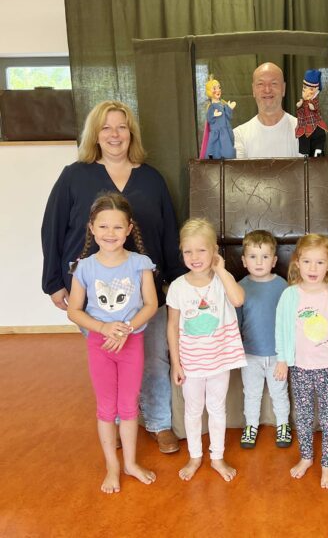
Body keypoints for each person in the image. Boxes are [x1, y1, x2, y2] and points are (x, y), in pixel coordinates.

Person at [41, 100, 183, 454]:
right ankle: (118, 422)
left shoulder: (151, 178)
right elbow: (52, 229)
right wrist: (53, 282)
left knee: (153, 359)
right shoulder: (74, 176)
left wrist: (177, 282)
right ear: (95, 134)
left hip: (146, 294)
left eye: (121, 127)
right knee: (111, 362)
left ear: (131, 133)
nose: (114, 134)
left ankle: (159, 422)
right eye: (106, 127)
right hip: (94, 295)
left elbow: (169, 232)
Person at [67, 193, 158, 493]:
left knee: (128, 405)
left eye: (118, 227)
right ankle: (112, 466)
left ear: (129, 229)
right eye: (103, 226)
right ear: (92, 228)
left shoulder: (140, 264)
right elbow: (74, 310)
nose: (110, 233)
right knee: (106, 407)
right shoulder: (84, 267)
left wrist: (127, 329)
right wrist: (104, 328)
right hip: (100, 345)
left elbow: (151, 304)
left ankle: (130, 463)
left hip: (132, 343)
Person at [166, 218, 246, 482]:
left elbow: (238, 300)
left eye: (201, 250)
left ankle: (217, 457)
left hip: (219, 360)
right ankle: (195, 456)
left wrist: (221, 270)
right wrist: (176, 363)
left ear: (214, 251)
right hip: (191, 363)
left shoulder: (222, 280)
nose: (195, 257)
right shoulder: (178, 286)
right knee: (193, 410)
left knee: (216, 409)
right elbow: (172, 326)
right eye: (188, 251)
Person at [275, 234, 328, 489]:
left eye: (320, 262)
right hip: (300, 368)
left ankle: (327, 464)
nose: (313, 268)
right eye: (307, 261)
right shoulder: (290, 295)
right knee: (304, 417)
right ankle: (306, 457)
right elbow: (281, 330)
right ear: (297, 262)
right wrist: (282, 360)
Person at [237, 230, 290, 449]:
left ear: (274, 260)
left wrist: (286, 356)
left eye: (265, 257)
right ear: (244, 261)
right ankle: (251, 426)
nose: (259, 262)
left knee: (279, 392)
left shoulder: (282, 286)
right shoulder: (240, 287)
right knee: (251, 393)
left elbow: (289, 323)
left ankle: (283, 425)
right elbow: (236, 323)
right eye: (253, 257)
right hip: (250, 354)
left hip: (277, 355)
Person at [233, 62, 300, 158]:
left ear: (283, 89)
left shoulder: (302, 130)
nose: (267, 90)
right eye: (260, 84)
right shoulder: (239, 135)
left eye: (274, 83)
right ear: (253, 90)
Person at [295, 69, 328, 157]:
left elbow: (316, 109)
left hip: (314, 126)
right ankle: (305, 155)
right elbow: (300, 113)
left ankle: (317, 154)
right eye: (304, 88)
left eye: (310, 89)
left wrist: (312, 108)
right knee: (304, 143)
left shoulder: (314, 102)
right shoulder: (303, 102)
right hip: (304, 127)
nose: (306, 92)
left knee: (317, 146)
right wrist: (299, 105)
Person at [202, 75, 237, 159]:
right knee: (214, 149)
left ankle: (228, 159)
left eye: (219, 88)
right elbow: (209, 119)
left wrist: (229, 108)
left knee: (228, 150)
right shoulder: (211, 106)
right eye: (214, 88)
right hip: (217, 132)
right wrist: (214, 115)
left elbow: (228, 117)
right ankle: (212, 158)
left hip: (226, 131)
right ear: (209, 91)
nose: (218, 90)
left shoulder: (223, 104)